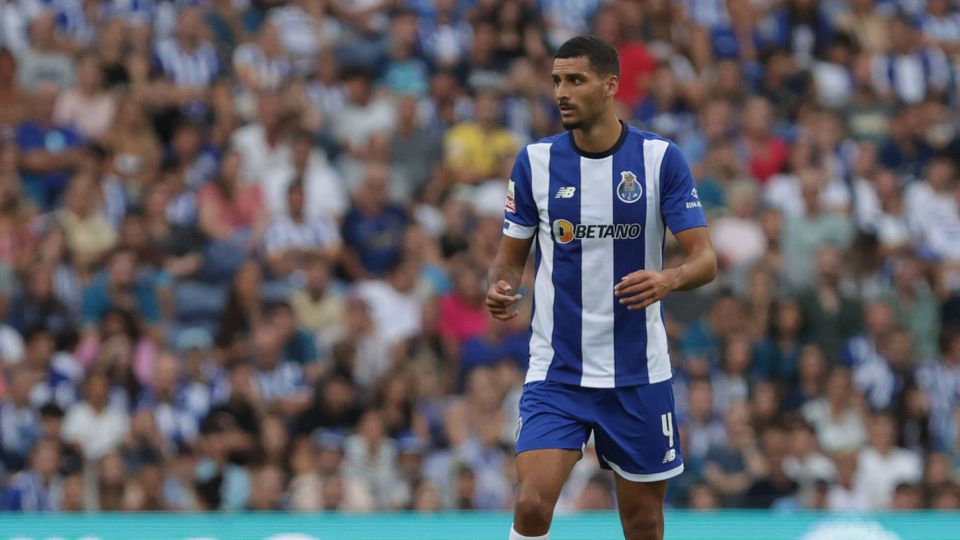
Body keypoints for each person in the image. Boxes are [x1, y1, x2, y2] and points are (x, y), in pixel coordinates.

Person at [486, 36, 717, 540]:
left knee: (642, 522)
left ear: (610, 85)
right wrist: (500, 289)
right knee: (530, 506)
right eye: (555, 81)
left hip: (637, 373)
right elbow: (507, 261)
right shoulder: (535, 163)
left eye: (575, 80)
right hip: (558, 372)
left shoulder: (659, 160)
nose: (561, 92)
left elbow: (705, 259)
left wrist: (668, 278)